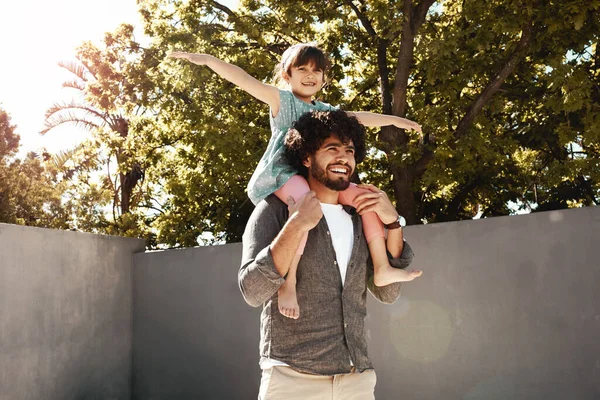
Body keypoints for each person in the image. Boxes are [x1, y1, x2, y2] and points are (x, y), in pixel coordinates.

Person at [169, 43, 422, 319]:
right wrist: (207, 59)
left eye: (317, 70)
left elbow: (358, 118)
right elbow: (243, 79)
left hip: (315, 177)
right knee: (305, 205)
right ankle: (288, 283)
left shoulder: (325, 110)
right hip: (284, 175)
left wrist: (395, 121)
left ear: (325, 78)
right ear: (287, 75)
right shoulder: (282, 100)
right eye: (302, 69)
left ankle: (383, 266)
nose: (310, 74)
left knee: (366, 197)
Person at [239, 109, 420, 399]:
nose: (343, 158)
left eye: (349, 150)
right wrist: (296, 224)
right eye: (331, 148)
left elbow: (388, 293)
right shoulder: (274, 210)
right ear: (307, 157)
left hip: (356, 381)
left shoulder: (360, 216)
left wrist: (391, 222)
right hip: (291, 380)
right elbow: (252, 290)